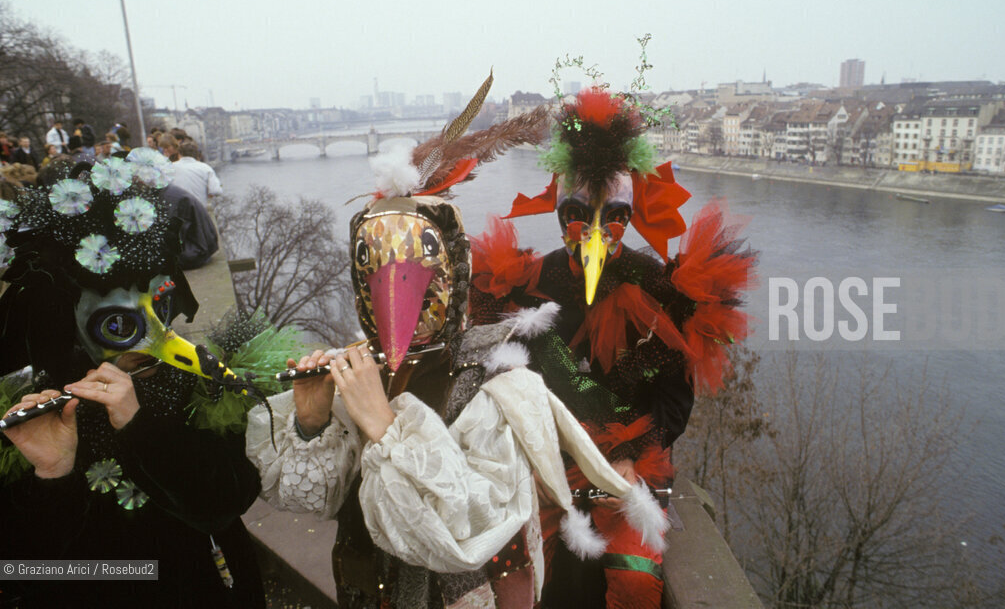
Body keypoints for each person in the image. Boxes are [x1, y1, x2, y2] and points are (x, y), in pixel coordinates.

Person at [246, 77, 667, 609]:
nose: (395, 308)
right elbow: (313, 497)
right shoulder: (364, 370)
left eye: (418, 285)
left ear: (452, 277)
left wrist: (386, 428)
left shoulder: (495, 383)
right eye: (375, 284)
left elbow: (471, 528)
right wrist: (310, 421)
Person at [469, 87, 757, 609]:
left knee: (634, 577)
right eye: (579, 215)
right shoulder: (529, 284)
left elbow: (674, 396)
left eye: (613, 216)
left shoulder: (658, 290)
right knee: (518, 576)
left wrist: (633, 457)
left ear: (629, 214)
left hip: (630, 465)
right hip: (546, 462)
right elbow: (503, 387)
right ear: (561, 216)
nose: (597, 233)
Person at [0, 149, 267, 608]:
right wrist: (52, 476)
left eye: (160, 305)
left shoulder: (192, 380)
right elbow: (17, 571)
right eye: (121, 325)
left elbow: (229, 499)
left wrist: (144, 429)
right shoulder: (26, 408)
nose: (158, 340)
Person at [170, 139, 223, 207]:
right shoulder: (205, 168)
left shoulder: (170, 167)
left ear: (179, 154)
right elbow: (216, 191)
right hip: (198, 209)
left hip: (176, 209)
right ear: (196, 154)